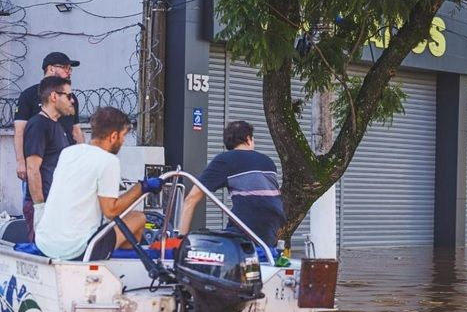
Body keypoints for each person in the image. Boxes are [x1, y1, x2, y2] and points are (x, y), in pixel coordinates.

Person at [35, 106, 164, 261]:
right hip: (76, 249)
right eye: (123, 136)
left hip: (45, 242)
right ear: (113, 136)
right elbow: (110, 211)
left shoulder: (68, 153)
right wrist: (142, 188)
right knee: (139, 218)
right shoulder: (108, 160)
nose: (123, 141)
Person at [179, 121, 286, 252]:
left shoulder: (225, 160)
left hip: (245, 231)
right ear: (248, 139)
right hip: (271, 232)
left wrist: (179, 242)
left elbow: (191, 200)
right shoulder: (267, 161)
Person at [14, 52, 84, 181]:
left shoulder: (71, 98)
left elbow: (76, 130)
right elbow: (20, 131)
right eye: (65, 68)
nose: (69, 72)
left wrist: (82, 158)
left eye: (70, 69)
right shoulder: (29, 95)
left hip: (66, 162)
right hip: (39, 162)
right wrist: (20, 162)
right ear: (51, 69)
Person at [22, 76, 76, 241]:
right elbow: (32, 168)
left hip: (57, 204)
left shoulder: (58, 126)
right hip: (44, 205)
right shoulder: (38, 125)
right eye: (68, 96)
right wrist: (40, 208)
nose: (72, 100)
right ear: (54, 97)